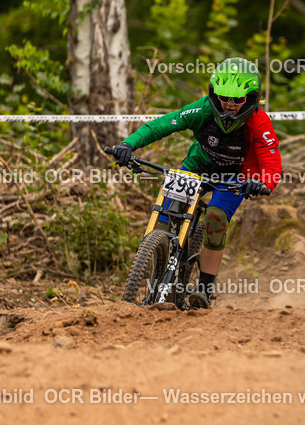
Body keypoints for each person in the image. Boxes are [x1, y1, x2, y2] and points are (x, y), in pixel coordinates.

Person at [111, 58, 281, 308]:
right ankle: (159, 261)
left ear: (252, 99)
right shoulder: (203, 110)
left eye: (238, 100)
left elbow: (271, 159)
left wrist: (263, 183)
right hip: (197, 167)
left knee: (215, 218)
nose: (230, 105)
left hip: (234, 177)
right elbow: (163, 125)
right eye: (223, 97)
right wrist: (128, 144)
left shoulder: (258, 123)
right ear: (213, 94)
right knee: (165, 213)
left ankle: (205, 286)